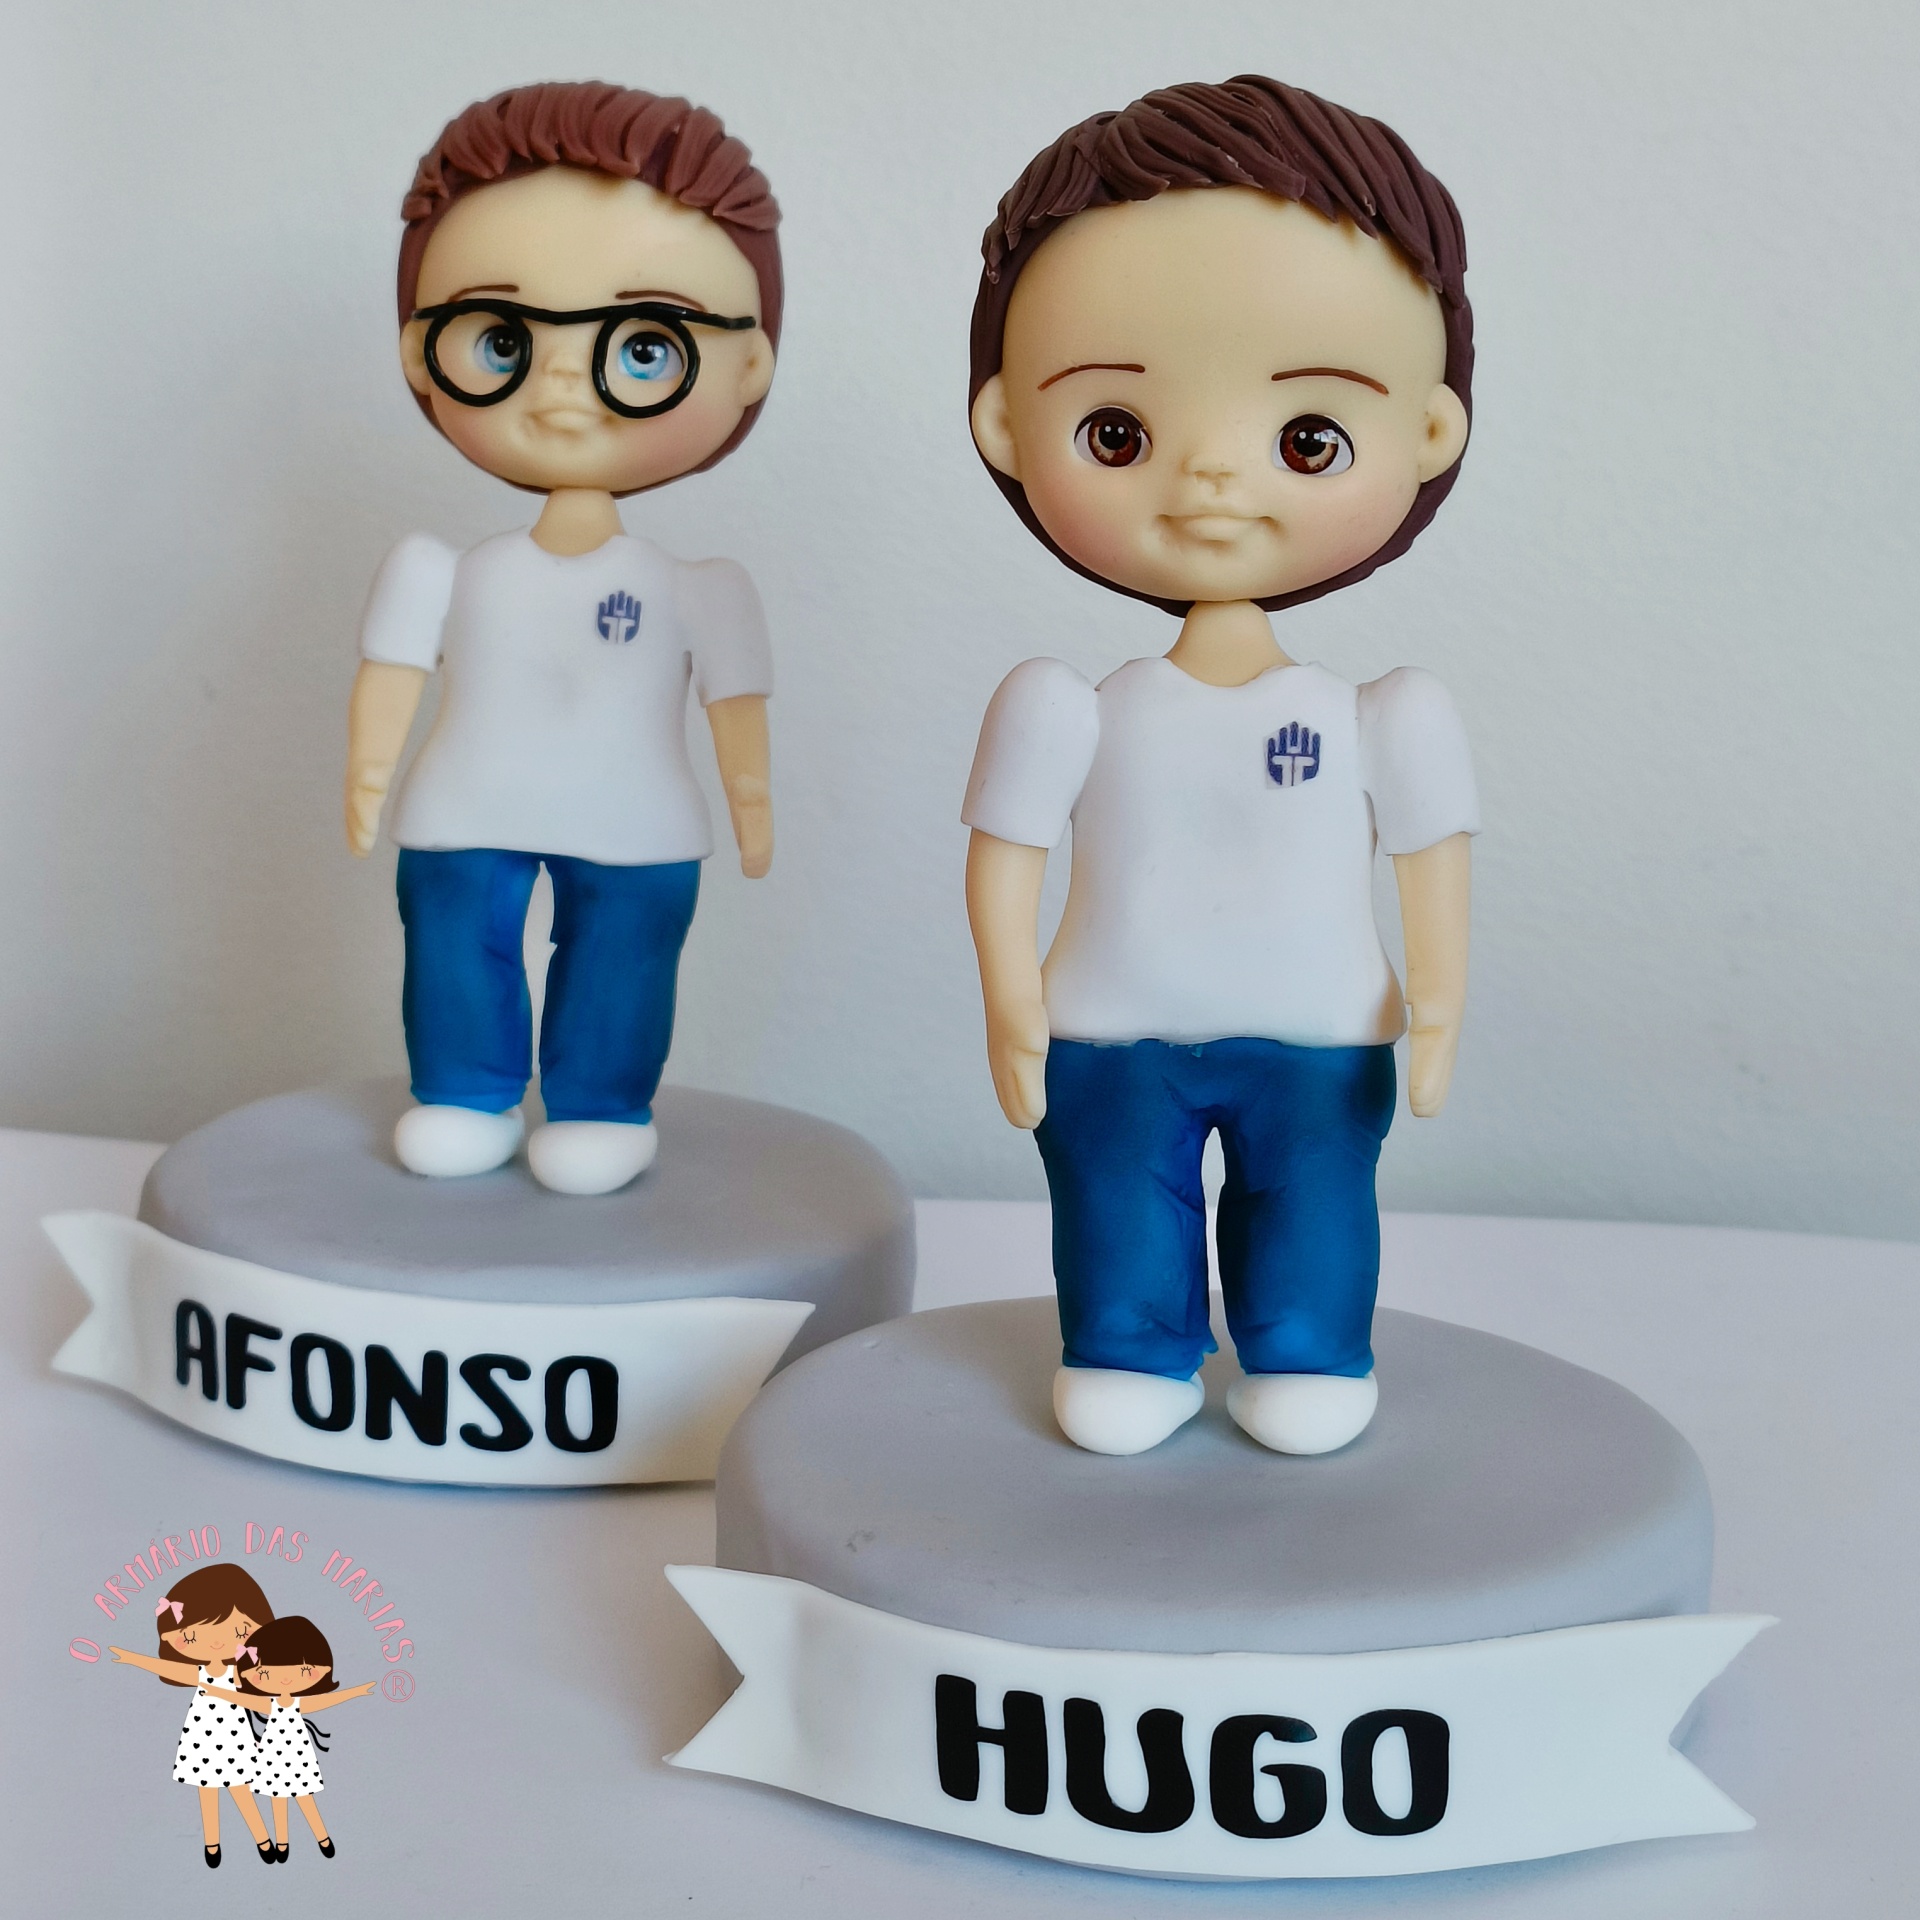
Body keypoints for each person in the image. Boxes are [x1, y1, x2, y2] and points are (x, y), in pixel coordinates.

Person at [961, 77, 1478, 1457]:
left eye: (1308, 439)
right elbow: (1003, 863)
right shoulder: (1063, 706)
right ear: (1006, 425)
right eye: (1117, 433)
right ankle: (1128, 1346)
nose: (1209, 482)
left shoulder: (1387, 715)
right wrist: (1011, 1000)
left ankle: (1306, 1351)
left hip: (1320, 1030)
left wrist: (1438, 1005)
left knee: (1314, 1203)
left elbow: (1433, 867)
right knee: (1115, 1201)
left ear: (1429, 432)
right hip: (1107, 1026)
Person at [346, 81, 782, 1195]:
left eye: (643, 348)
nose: (558, 389)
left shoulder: (701, 588)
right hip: (464, 805)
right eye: (500, 339)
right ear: (420, 351)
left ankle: (599, 1104)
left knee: (623, 958)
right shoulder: (440, 570)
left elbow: (737, 716)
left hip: (638, 816)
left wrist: (752, 805)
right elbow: (390, 682)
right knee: (455, 946)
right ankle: (465, 1090)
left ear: (747, 366)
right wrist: (368, 779)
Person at [109, 1563, 278, 1867]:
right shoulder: (201, 1672)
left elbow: (266, 1680)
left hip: (235, 1737)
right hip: (202, 1736)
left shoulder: (238, 1672)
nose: (217, 1642)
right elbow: (171, 1669)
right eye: (193, 1635)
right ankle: (212, 1845)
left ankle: (263, 1840)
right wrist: (133, 1658)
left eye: (238, 1630)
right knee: (207, 1790)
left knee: (240, 1788)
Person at [201, 1616, 376, 1862]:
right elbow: (241, 1698)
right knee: (278, 1798)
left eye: (302, 1670)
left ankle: (322, 1837)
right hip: (272, 1757)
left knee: (304, 1797)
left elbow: (324, 1700)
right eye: (266, 1672)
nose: (284, 1679)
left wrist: (355, 1692)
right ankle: (282, 1843)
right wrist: (215, 1690)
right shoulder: (269, 1703)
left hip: (298, 1756)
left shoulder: (297, 1703)